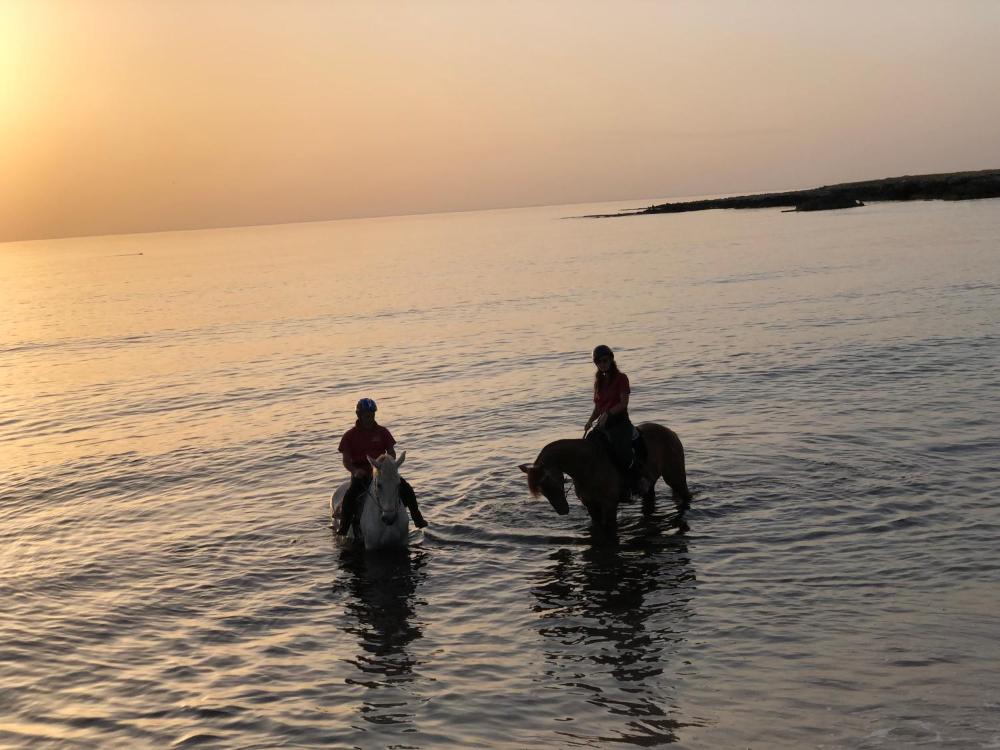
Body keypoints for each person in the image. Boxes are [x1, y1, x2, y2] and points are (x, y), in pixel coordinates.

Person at [337, 397, 426, 535]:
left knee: (407, 488)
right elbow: (346, 461)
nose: (370, 419)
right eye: (367, 415)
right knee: (350, 495)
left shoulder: (382, 432)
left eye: (372, 415)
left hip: (382, 472)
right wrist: (355, 471)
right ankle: (343, 526)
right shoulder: (349, 436)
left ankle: (417, 517)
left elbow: (391, 452)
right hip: (362, 474)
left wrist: (388, 462)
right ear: (359, 415)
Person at [583, 345, 647, 493]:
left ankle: (637, 480)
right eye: (598, 362)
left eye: (604, 360)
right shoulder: (598, 382)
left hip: (619, 422)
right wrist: (589, 421)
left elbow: (623, 403)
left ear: (611, 359)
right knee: (590, 445)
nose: (602, 364)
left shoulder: (621, 378)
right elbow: (598, 408)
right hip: (603, 423)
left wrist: (609, 414)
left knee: (622, 451)